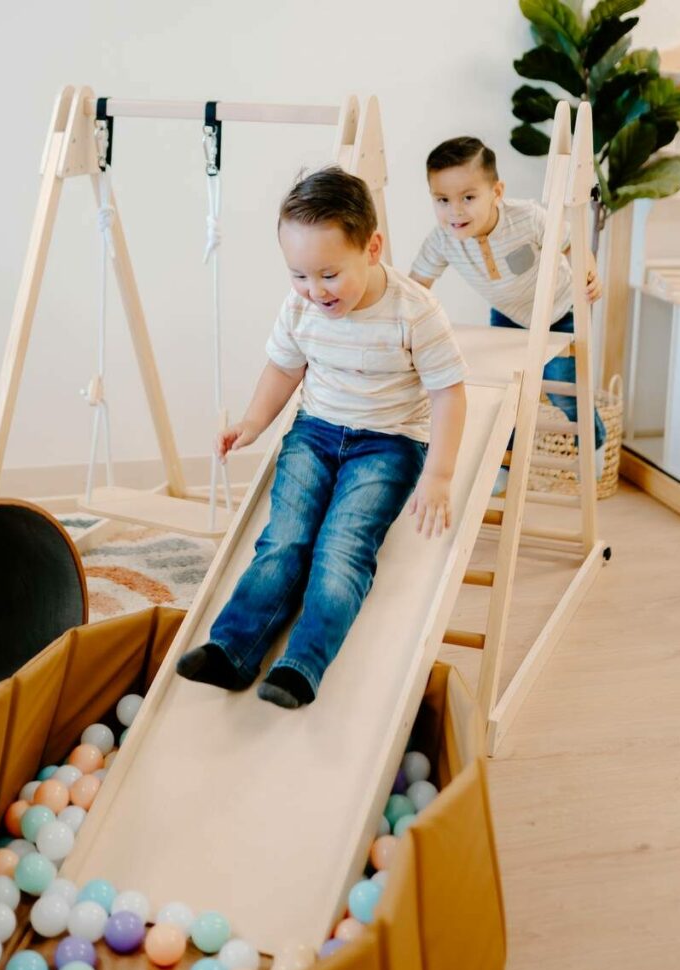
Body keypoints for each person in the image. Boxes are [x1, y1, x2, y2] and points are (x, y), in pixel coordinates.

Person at [176, 167, 467, 709]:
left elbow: (449, 393)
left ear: (373, 248)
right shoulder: (300, 307)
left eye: (329, 275)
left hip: (388, 444)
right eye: (299, 276)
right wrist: (252, 423)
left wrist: (439, 475)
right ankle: (233, 649)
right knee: (285, 538)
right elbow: (284, 369)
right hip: (314, 433)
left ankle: (302, 663)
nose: (314, 291)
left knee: (341, 548)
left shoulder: (415, 313)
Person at [409, 136, 606, 475]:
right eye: (442, 200)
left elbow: (572, 242)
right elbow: (415, 289)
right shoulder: (442, 239)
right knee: (505, 396)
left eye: (468, 198)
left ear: (496, 192)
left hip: (559, 312)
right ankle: (502, 465)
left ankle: (595, 444)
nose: (454, 211)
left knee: (564, 393)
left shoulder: (527, 218)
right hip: (509, 316)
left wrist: (586, 273)